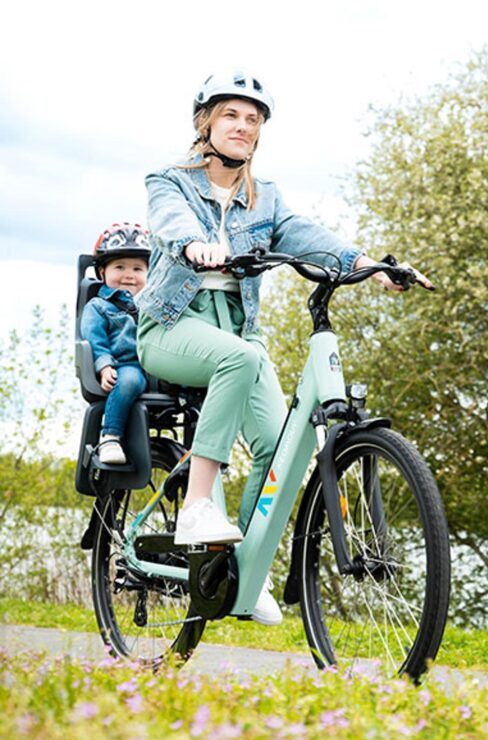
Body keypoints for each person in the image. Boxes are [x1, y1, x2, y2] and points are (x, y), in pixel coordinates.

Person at [136, 70, 432, 625]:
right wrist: (197, 246)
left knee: (281, 448)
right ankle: (197, 506)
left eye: (253, 119)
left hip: (236, 332)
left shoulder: (264, 198)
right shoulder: (168, 180)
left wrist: (371, 267)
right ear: (206, 123)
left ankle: (239, 571)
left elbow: (307, 235)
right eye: (231, 115)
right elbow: (170, 223)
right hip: (172, 327)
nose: (243, 126)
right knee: (242, 357)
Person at [81, 223, 150, 465]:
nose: (129, 274)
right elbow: (94, 338)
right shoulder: (99, 307)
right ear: (102, 273)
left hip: (160, 364)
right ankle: (110, 436)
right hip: (126, 365)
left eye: (137, 268)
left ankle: (205, 449)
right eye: (119, 267)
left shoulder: (155, 305)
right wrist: (104, 365)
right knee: (128, 380)